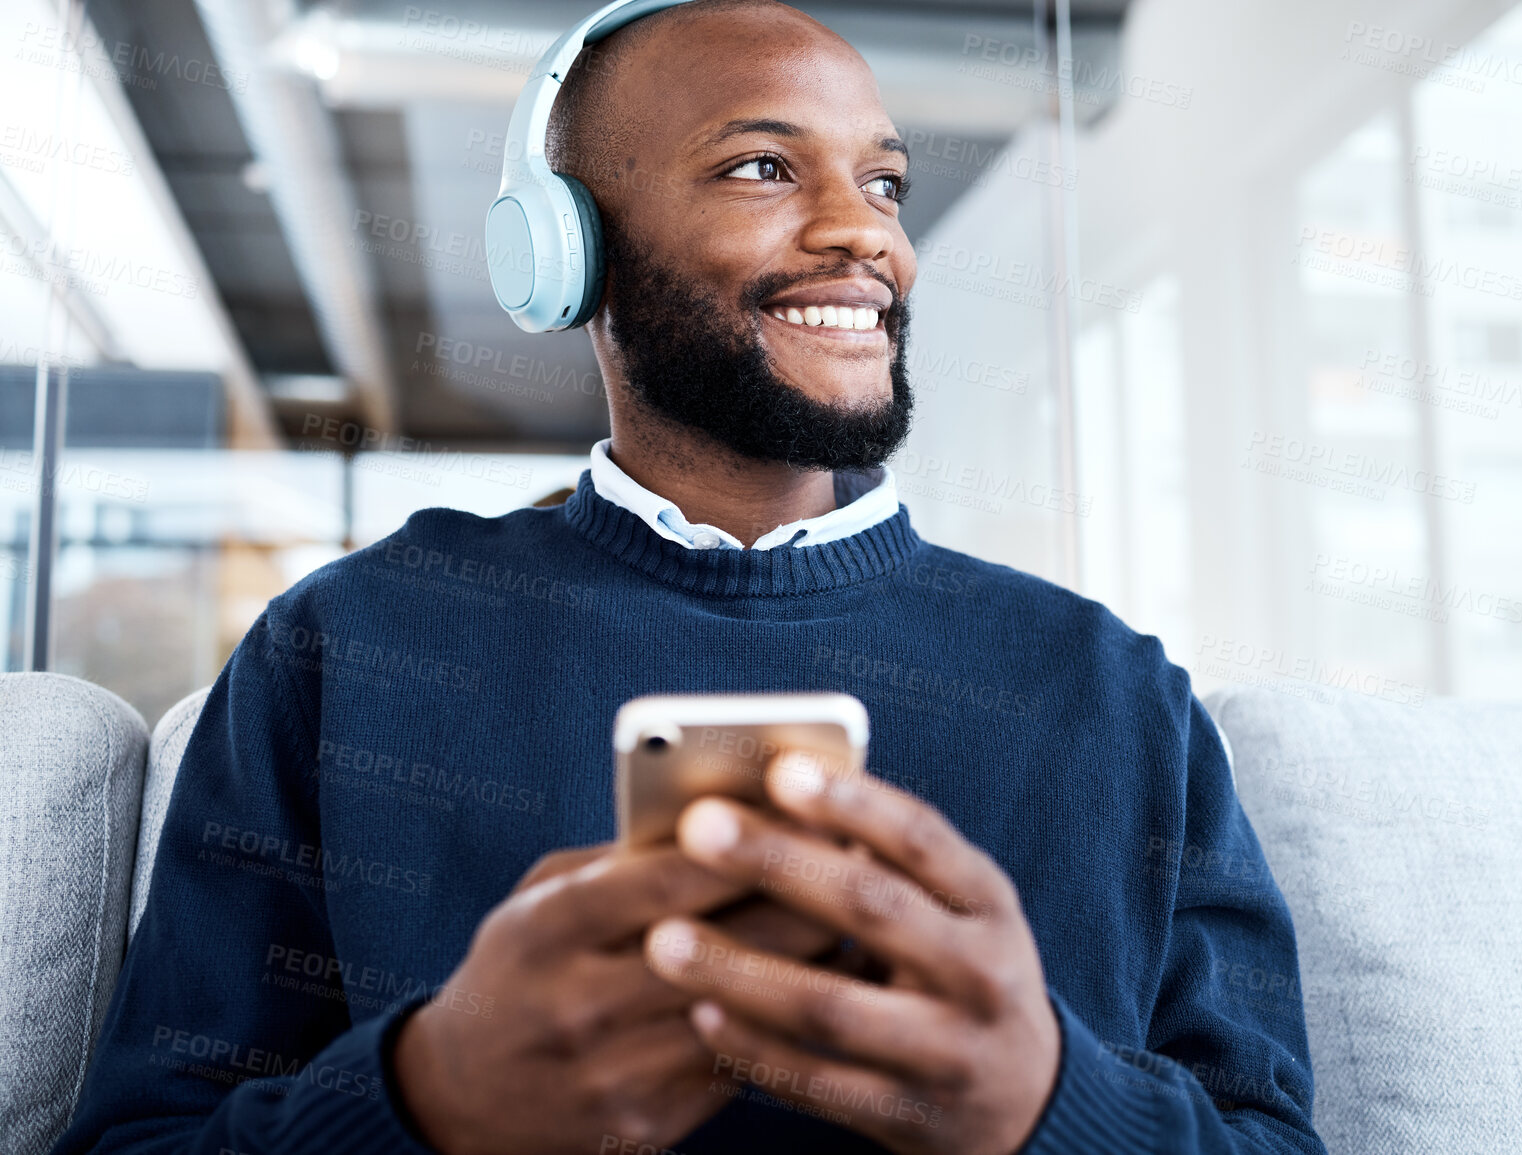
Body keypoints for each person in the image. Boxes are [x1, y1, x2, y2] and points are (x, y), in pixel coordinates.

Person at [53, 2, 1325, 1152]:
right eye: (763, 167)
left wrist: (1053, 1103)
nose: (863, 233)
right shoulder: (352, 642)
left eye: (884, 183)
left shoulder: (1109, 686)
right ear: (568, 251)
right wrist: (426, 1098)